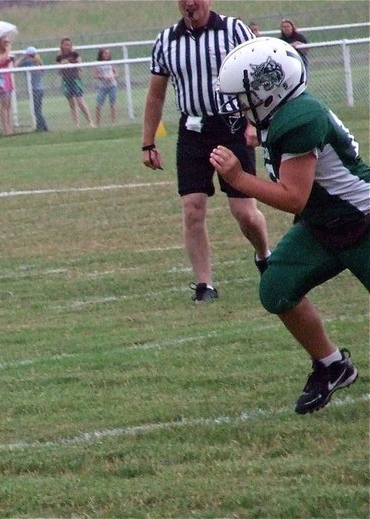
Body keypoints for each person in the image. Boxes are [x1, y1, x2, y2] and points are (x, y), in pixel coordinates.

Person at [211, 37, 367, 413]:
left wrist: (239, 178)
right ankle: (332, 366)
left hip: (362, 221)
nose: (240, 105)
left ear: (269, 90)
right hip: (323, 225)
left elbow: (293, 197)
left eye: (244, 96)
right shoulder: (283, 115)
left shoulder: (300, 118)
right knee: (277, 288)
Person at [141, 0, 271, 302]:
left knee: (244, 212)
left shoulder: (233, 30)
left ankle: (264, 254)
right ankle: (204, 285)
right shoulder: (166, 41)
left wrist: (253, 123)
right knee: (192, 209)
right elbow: (156, 95)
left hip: (232, 127)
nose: (190, 3)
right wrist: (148, 142)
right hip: (192, 131)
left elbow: (257, 79)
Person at [56, 37, 94, 129]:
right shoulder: (59, 57)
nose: (67, 46)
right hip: (66, 81)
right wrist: (62, 65)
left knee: (80, 102)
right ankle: (76, 124)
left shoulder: (75, 54)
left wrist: (71, 63)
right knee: (72, 104)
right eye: (65, 44)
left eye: (69, 45)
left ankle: (90, 122)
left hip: (75, 80)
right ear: (62, 46)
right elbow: (59, 72)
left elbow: (80, 67)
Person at [16, 46, 48, 132]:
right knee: (38, 109)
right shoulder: (38, 62)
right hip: (40, 88)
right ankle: (41, 125)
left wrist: (22, 58)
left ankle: (42, 126)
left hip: (34, 89)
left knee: (36, 109)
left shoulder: (28, 62)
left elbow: (16, 66)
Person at [93, 48, 118, 126]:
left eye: (108, 53)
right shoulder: (98, 63)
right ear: (101, 54)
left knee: (112, 104)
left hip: (112, 86)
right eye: (105, 53)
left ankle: (114, 122)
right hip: (103, 87)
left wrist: (112, 77)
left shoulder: (111, 62)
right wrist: (103, 77)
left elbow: (116, 73)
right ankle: (98, 123)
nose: (107, 55)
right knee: (98, 104)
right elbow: (95, 75)